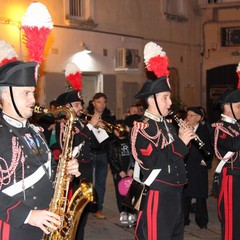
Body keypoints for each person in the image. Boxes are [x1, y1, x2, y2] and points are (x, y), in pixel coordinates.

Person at [0, 60, 80, 240]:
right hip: (13, 226)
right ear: (6, 95)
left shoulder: (35, 131)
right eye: (26, 93)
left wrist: (64, 169)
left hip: (44, 222)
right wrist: (28, 215)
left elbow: (45, 170)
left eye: (33, 93)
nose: (33, 100)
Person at [131, 42, 195, 239]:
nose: (170, 103)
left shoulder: (167, 123)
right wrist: (180, 143)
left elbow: (177, 157)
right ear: (151, 100)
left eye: (169, 98)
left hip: (176, 194)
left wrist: (186, 139)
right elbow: (152, 162)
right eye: (165, 98)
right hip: (157, 195)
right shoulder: (141, 128)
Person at [212, 87, 240, 240]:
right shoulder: (220, 127)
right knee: (231, 220)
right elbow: (233, 145)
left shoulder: (236, 126)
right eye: (238, 106)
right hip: (231, 178)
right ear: (228, 107)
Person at [182, 107, 214, 229]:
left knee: (200, 195)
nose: (188, 117)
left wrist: (206, 161)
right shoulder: (183, 128)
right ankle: (184, 219)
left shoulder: (205, 130)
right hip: (186, 165)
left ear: (199, 118)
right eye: (188, 115)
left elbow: (210, 149)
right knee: (185, 195)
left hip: (198, 167)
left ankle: (202, 220)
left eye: (191, 115)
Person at [87, 92, 116, 219]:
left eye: (104, 102)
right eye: (99, 102)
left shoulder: (109, 116)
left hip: (103, 153)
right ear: (93, 102)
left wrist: (105, 128)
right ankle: (86, 207)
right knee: (87, 182)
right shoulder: (86, 115)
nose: (102, 105)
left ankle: (98, 208)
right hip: (89, 152)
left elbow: (113, 135)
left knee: (100, 182)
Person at [107, 120, 136, 227]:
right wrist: (119, 171)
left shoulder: (130, 141)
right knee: (121, 193)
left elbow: (135, 156)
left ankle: (131, 212)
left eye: (120, 128)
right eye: (116, 129)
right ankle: (123, 212)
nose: (118, 131)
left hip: (130, 171)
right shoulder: (112, 143)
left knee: (132, 192)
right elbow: (111, 158)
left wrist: (132, 168)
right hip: (119, 172)